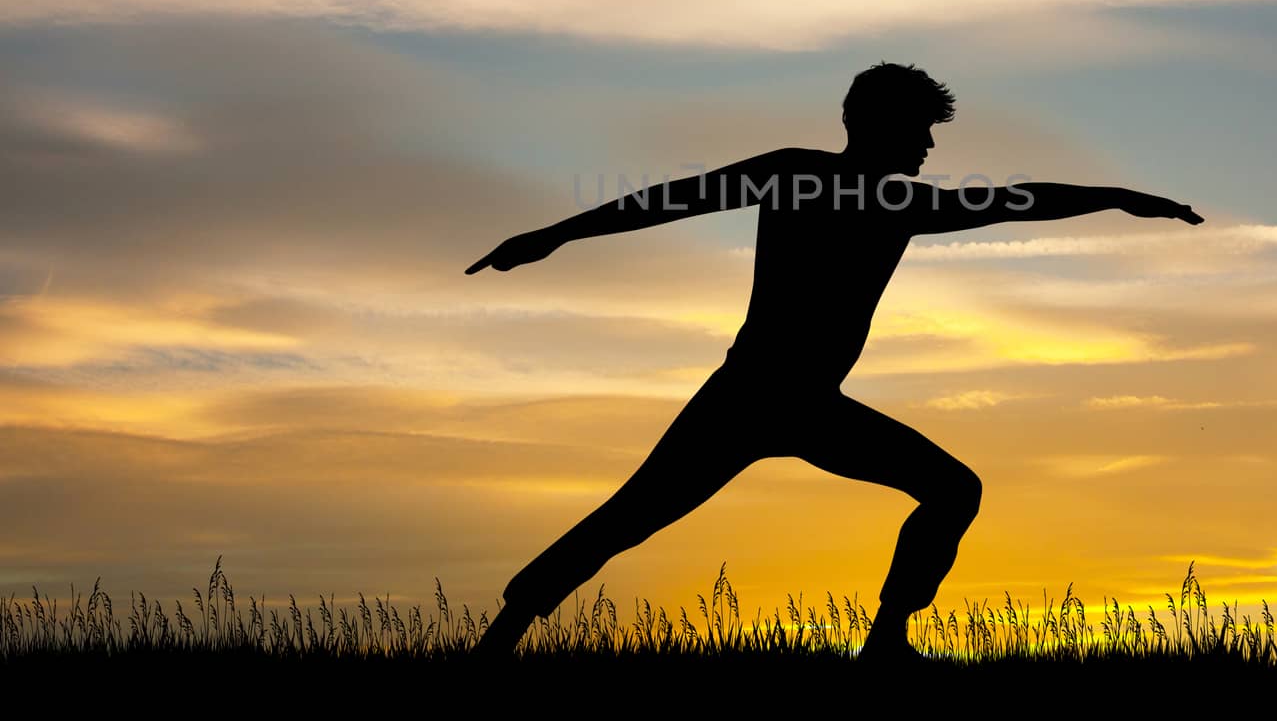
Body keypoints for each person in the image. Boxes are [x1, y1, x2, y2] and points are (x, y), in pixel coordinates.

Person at [464, 62, 1203, 660]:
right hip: (748, 396)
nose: (929, 146)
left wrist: (1119, 196)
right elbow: (671, 199)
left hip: (811, 404)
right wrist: (552, 234)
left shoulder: (900, 201)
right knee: (627, 519)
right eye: (920, 129)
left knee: (951, 490)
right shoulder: (802, 176)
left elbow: (1023, 200)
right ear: (875, 123)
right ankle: (496, 644)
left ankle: (886, 641)